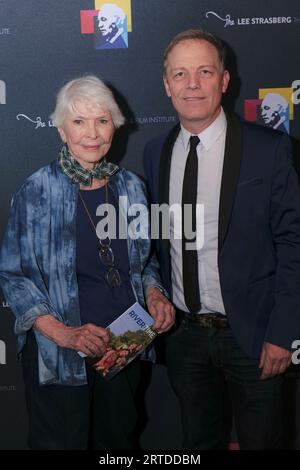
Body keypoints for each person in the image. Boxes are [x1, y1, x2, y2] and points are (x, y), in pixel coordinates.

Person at [143, 29, 300, 449]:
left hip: (253, 337)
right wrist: (155, 292)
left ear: (224, 81)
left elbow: (294, 244)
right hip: (183, 337)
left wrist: (283, 332)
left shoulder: (270, 149)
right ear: (166, 84)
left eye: (204, 72)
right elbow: (159, 240)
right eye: (180, 74)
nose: (192, 84)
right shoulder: (154, 152)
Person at [0, 75, 175, 450]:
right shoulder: (36, 190)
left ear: (115, 126)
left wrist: (156, 294)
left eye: (102, 120)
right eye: (79, 122)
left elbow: (144, 264)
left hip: (124, 347)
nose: (91, 133)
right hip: (59, 355)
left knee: (118, 445)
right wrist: (64, 333)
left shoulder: (131, 187)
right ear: (62, 130)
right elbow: (14, 277)